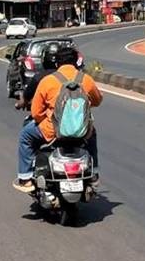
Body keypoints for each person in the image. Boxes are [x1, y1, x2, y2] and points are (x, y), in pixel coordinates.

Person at [13, 40, 101, 193]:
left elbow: (36, 112)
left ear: (56, 64)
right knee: (93, 134)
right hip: (82, 131)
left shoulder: (48, 81)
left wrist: (46, 122)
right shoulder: (85, 79)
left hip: (52, 131)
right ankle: (93, 173)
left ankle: (26, 178)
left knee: (25, 136)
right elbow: (97, 100)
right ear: (76, 62)